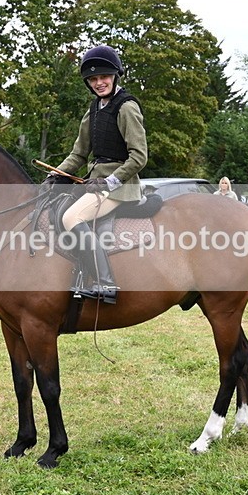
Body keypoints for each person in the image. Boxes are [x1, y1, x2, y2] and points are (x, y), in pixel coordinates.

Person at [44, 45, 148, 304]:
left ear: (115, 76)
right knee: (56, 209)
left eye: (104, 77)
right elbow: (78, 155)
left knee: (72, 217)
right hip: (94, 184)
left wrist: (110, 181)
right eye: (93, 79)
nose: (99, 83)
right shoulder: (92, 111)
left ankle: (106, 283)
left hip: (120, 186)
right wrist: (55, 175)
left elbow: (139, 156)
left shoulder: (126, 107)